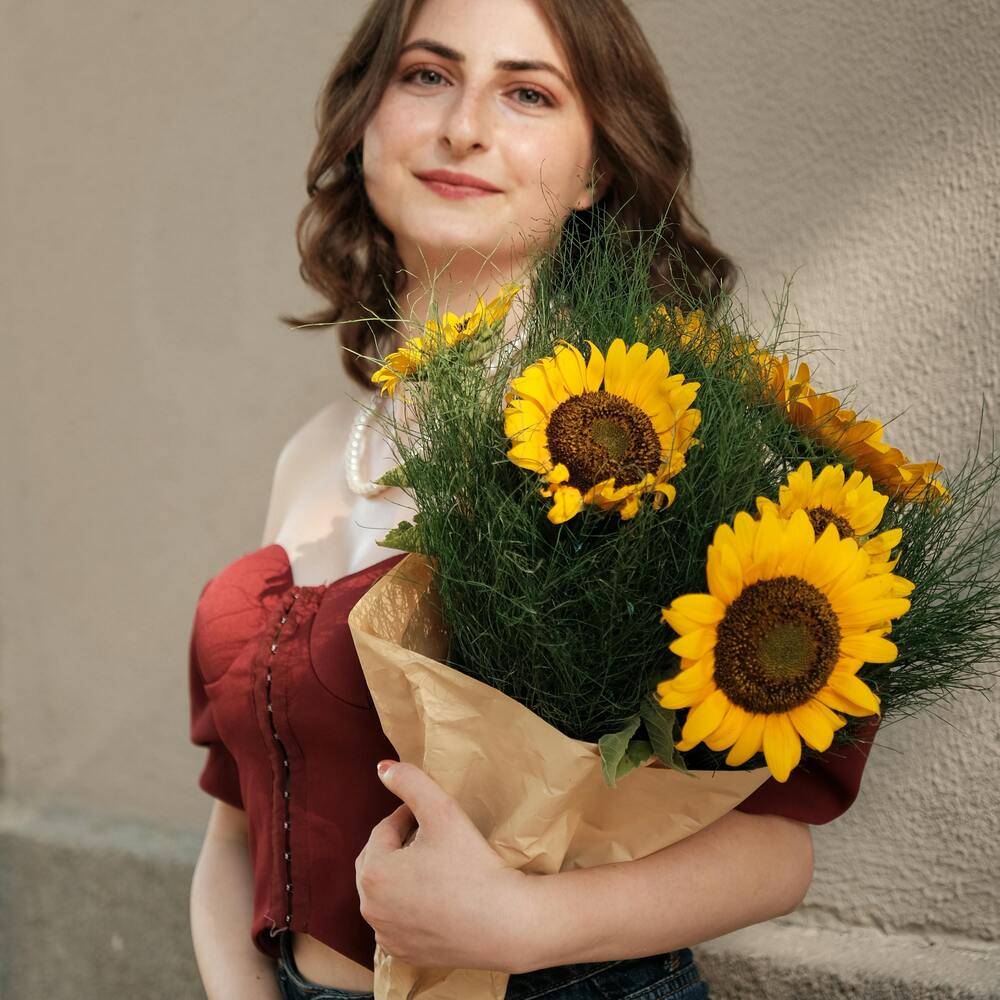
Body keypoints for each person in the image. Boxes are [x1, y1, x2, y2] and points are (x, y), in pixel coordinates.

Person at [189, 1, 874, 997]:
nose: (464, 124)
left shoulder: (651, 455)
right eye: (426, 75)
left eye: (526, 92)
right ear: (364, 120)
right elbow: (238, 833)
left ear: (597, 168)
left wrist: (523, 921)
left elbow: (776, 851)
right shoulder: (312, 455)